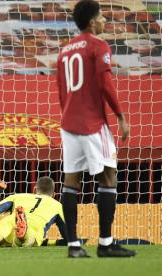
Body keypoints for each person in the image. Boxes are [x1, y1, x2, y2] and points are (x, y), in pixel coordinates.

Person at [56, 0, 135, 258]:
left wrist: (70, 113)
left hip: (68, 123)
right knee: (109, 176)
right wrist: (121, 116)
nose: (104, 21)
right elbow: (105, 83)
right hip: (92, 123)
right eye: (101, 17)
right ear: (91, 21)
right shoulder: (98, 45)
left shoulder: (65, 50)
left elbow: (61, 91)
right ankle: (105, 242)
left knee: (71, 182)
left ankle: (73, 246)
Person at [0, 176, 67, 248]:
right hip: (35, 226)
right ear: (54, 195)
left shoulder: (17, 196)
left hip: (11, 220)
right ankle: (24, 235)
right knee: (30, 239)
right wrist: (47, 242)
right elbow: (68, 237)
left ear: (35, 190)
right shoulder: (58, 206)